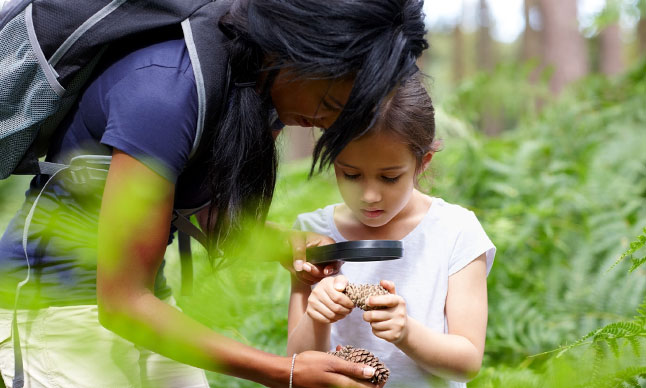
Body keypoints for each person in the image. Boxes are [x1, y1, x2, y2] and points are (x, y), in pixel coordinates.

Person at [0, 0, 429, 387]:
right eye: (330, 103)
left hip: (148, 302)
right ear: (299, 52)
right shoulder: (166, 91)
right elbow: (122, 303)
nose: (326, 124)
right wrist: (287, 372)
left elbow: (198, 210)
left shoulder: (256, 89)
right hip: (52, 314)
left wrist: (283, 244)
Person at [287, 75, 496, 388]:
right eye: (351, 175)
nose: (370, 195)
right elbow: (295, 366)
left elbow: (467, 362)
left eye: (389, 178)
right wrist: (317, 316)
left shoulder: (456, 231)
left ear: (422, 163)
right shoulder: (313, 232)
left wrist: (406, 333)